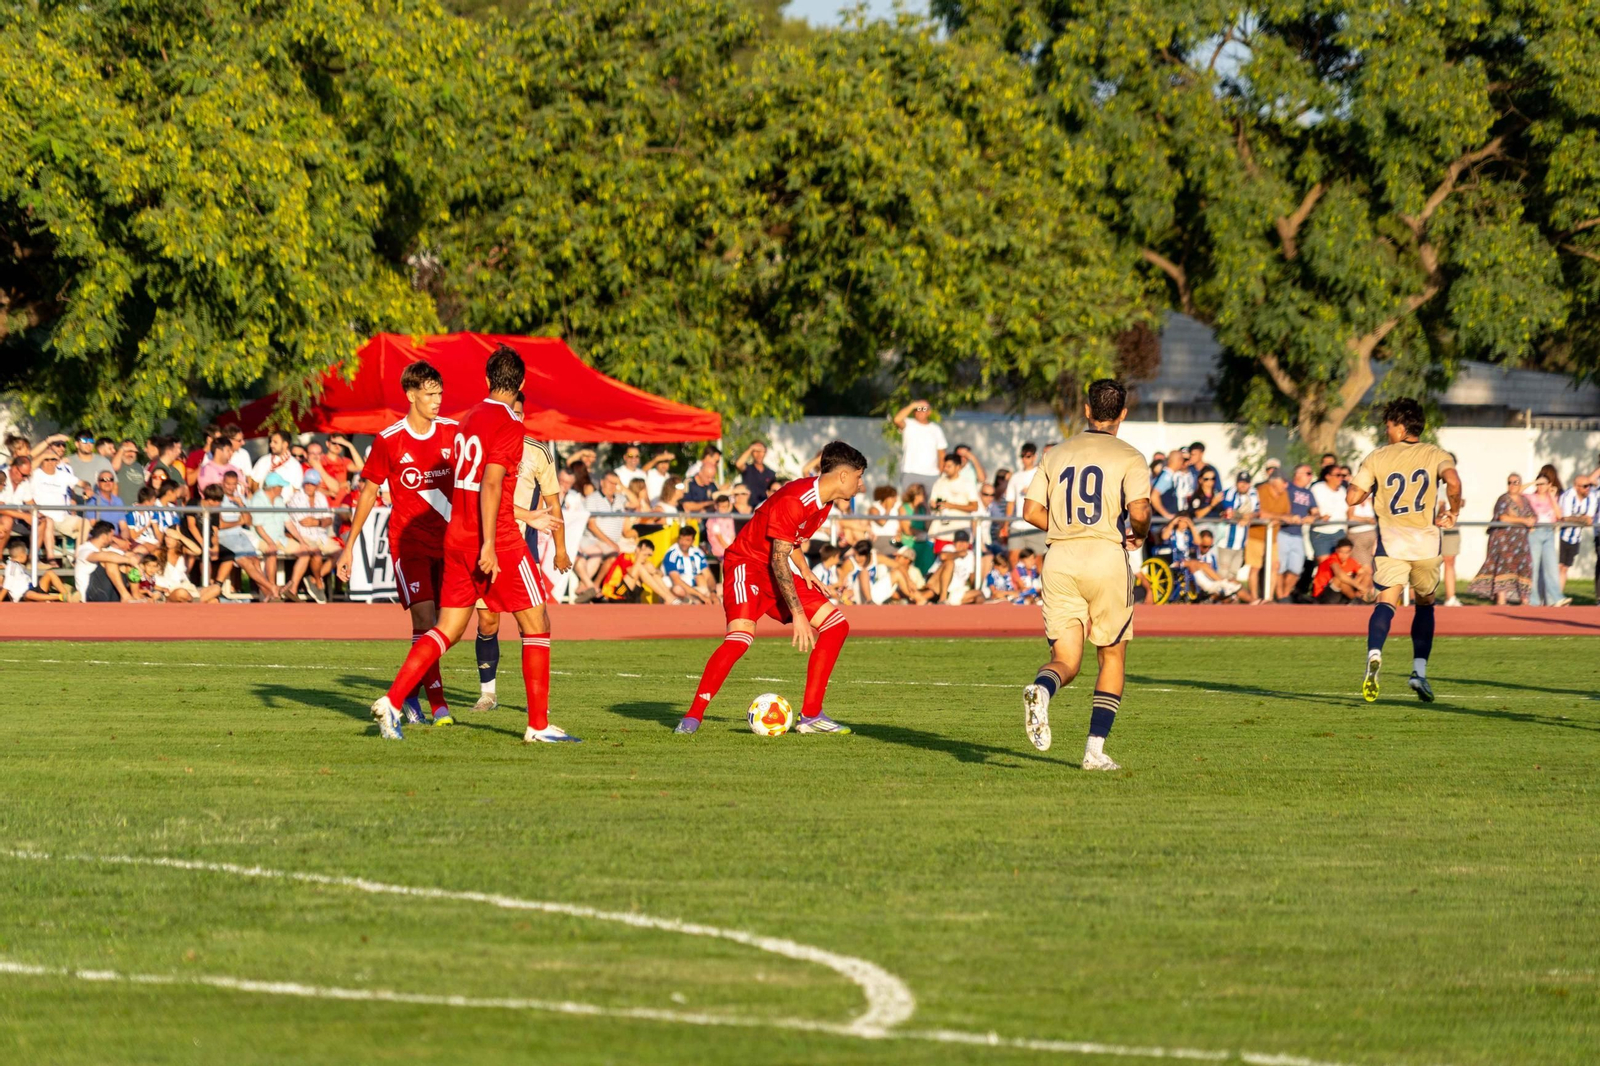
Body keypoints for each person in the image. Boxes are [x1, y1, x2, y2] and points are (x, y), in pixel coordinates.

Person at [368, 345, 573, 743]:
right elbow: (492, 482)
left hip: (455, 538)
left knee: (447, 628)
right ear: (522, 384)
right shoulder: (510, 425)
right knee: (537, 624)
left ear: (486, 380)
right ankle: (538, 726)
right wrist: (492, 544)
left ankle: (392, 701)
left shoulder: (468, 418)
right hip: (496, 539)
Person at [676, 440, 868, 735]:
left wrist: (805, 570)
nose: (861, 484)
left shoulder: (824, 503)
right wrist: (798, 614)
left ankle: (811, 716)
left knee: (836, 625)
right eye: (859, 476)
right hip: (748, 566)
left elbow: (791, 543)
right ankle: (692, 716)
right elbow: (779, 558)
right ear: (843, 475)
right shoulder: (797, 499)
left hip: (776, 571)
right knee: (740, 639)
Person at [1020, 378, 1153, 771]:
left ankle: (1042, 691)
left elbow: (1029, 511)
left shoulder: (1056, 453)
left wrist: (1063, 530)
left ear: (1087, 410)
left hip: (1060, 558)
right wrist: (1139, 535)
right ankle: (1094, 751)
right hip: (1106, 557)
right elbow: (1141, 510)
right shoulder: (1130, 455)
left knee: (1065, 659)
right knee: (1111, 656)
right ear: (1122, 415)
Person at [337, 360, 458, 725]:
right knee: (424, 619)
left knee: (439, 626)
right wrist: (349, 546)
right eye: (430, 394)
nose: (437, 400)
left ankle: (408, 696)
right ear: (411, 395)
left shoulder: (454, 433)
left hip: (450, 546)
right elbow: (369, 492)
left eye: (440, 393)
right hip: (409, 547)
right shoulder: (389, 440)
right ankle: (439, 705)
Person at [1347, 397, 1462, 702]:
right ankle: (1419, 672)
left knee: (1386, 602)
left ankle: (1374, 653)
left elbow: (1351, 497)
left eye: (1388, 425)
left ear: (1400, 426)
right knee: (1425, 604)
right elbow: (1453, 481)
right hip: (1426, 543)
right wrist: (1453, 511)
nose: (1386, 431)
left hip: (1391, 542)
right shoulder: (1436, 453)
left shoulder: (1377, 457)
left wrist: (1364, 488)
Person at [470, 392, 568, 713]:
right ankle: (488, 694)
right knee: (488, 622)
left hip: (520, 547)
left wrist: (560, 549)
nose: (513, 417)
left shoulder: (537, 451)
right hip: (486, 545)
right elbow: (483, 496)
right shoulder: (484, 449)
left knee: (534, 621)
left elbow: (553, 503)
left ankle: (537, 701)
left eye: (518, 412)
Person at [1470, 474, 1535, 604]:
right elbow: (1503, 518)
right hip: (1503, 540)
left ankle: (1524, 600)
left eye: (1515, 482)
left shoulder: (1525, 500)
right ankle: (1501, 600)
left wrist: (1524, 520)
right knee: (1504, 567)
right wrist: (1522, 520)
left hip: (1521, 541)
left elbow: (1532, 517)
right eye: (1509, 482)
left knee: (1525, 567)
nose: (1512, 485)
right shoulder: (1503, 499)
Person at [1524, 465, 1562, 607]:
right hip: (1535, 533)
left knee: (1551, 567)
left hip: (1548, 532)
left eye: (1543, 484)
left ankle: (1555, 599)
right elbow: (1516, 491)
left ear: (1549, 485)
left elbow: (1559, 515)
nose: (1540, 487)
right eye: (1538, 484)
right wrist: (1533, 483)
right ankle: (1533, 602)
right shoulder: (1530, 497)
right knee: (1533, 568)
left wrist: (1552, 496)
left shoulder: (1552, 498)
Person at [1184, 528, 1255, 602]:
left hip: (1213, 584)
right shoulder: (1192, 555)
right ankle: (1253, 602)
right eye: (1205, 546)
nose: (1207, 549)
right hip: (1202, 587)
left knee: (1234, 583)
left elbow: (1214, 573)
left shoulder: (1211, 556)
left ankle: (1253, 602)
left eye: (1210, 546)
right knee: (1229, 591)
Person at [892, 399, 947, 492]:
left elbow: (942, 453)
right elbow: (897, 419)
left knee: (930, 505)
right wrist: (913, 405)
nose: (921, 411)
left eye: (924, 409)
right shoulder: (908, 424)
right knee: (908, 503)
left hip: (931, 474)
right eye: (918, 409)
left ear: (929, 412)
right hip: (910, 472)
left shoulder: (936, 429)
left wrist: (940, 472)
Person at [74, 520, 134, 602]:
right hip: (91, 595)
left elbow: (130, 556)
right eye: (111, 536)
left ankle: (135, 595)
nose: (113, 539)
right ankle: (125, 595)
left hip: (106, 592)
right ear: (104, 537)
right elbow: (105, 556)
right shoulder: (84, 549)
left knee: (125, 563)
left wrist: (131, 559)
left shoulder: (107, 549)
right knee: (110, 561)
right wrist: (129, 560)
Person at [928, 454, 979, 550]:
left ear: (958, 467)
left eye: (949, 466)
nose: (946, 469)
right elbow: (932, 503)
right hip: (941, 532)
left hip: (961, 532)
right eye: (945, 466)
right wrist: (934, 505)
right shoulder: (939, 482)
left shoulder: (967, 484)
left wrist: (951, 506)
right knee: (941, 561)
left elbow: (974, 506)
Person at [1004, 443, 1044, 566]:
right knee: (1013, 559)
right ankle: (1016, 585)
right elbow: (1010, 503)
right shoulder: (1015, 477)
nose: (1024, 459)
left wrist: (1032, 490)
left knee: (1037, 561)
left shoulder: (1041, 473)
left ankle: (1038, 585)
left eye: (1027, 456)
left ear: (1034, 456)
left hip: (1035, 524)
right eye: (1022, 456)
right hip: (1018, 524)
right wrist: (1006, 525)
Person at [1558, 474, 1597, 594]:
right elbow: (1565, 518)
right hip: (1561, 535)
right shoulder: (1569, 496)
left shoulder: (1591, 497)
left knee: (1565, 567)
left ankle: (1558, 596)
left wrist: (1577, 518)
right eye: (1585, 486)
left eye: (1589, 485)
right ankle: (1549, 597)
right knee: (1558, 566)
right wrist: (1581, 519)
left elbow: (1589, 520)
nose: (1588, 488)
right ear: (1576, 486)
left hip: (1575, 537)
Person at [1217, 472, 1255, 593]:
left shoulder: (1253, 495)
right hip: (1225, 542)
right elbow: (1229, 512)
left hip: (1240, 543)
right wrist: (1244, 516)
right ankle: (1217, 602)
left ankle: (1229, 601)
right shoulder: (1229, 493)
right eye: (1241, 482)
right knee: (1222, 575)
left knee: (1233, 575)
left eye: (1246, 483)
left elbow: (1258, 511)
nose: (1243, 485)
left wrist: (1249, 516)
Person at [2, 538, 70, 601]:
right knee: (29, 594)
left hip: (33, 589)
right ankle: (58, 597)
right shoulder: (12, 567)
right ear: (22, 555)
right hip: (23, 597)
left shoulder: (18, 565)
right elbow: (7, 585)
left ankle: (66, 596)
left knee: (50, 573)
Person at [663, 526, 717, 604]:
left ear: (693, 541)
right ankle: (696, 601)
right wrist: (700, 596)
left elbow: (708, 576)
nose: (683, 543)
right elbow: (676, 581)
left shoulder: (698, 553)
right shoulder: (672, 554)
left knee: (719, 588)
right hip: (679, 591)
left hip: (695, 590)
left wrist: (713, 593)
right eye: (681, 539)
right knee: (678, 590)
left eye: (687, 540)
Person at [1312, 538, 1372, 604]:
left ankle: (1359, 599)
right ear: (1336, 551)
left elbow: (1363, 573)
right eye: (1341, 552)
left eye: (1347, 552)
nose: (1344, 555)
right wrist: (1358, 586)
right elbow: (1339, 574)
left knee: (1366, 576)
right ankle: (1357, 600)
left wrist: (1363, 589)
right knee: (1339, 579)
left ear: (1351, 552)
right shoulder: (1332, 559)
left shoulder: (1351, 561)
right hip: (1323, 595)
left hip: (1341, 593)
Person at [1310, 465, 1349, 560]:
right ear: (1328, 476)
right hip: (1322, 532)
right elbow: (1312, 508)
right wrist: (1319, 517)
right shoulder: (1317, 488)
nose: (1341, 478)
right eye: (1338, 475)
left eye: (1342, 475)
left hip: (1340, 532)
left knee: (1340, 566)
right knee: (1325, 566)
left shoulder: (1343, 491)